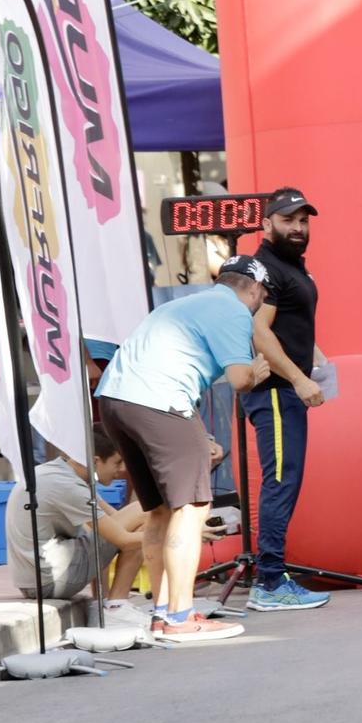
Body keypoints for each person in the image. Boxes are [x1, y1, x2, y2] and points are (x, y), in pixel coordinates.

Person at [94, 256, 273, 642]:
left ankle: (161, 613)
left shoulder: (182, 304)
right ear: (255, 290)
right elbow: (240, 380)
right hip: (159, 401)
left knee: (158, 511)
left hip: (114, 400)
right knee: (191, 507)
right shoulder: (235, 310)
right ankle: (180, 615)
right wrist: (258, 372)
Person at [240, 187, 331, 612]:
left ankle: (274, 575)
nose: (297, 228)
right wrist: (297, 378)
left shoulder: (291, 266)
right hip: (274, 392)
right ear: (266, 224)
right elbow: (260, 331)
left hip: (285, 389)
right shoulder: (266, 268)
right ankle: (270, 582)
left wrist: (314, 357)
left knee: (286, 483)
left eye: (303, 220)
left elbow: (288, 325)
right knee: (279, 484)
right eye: (287, 220)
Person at [9, 434, 148, 608]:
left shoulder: (61, 472)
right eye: (117, 462)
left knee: (107, 527)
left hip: (34, 579)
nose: (123, 469)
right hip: (49, 583)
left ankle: (102, 602)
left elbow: (113, 521)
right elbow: (123, 540)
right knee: (144, 511)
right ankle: (117, 605)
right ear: (96, 461)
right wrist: (171, 538)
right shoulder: (69, 487)